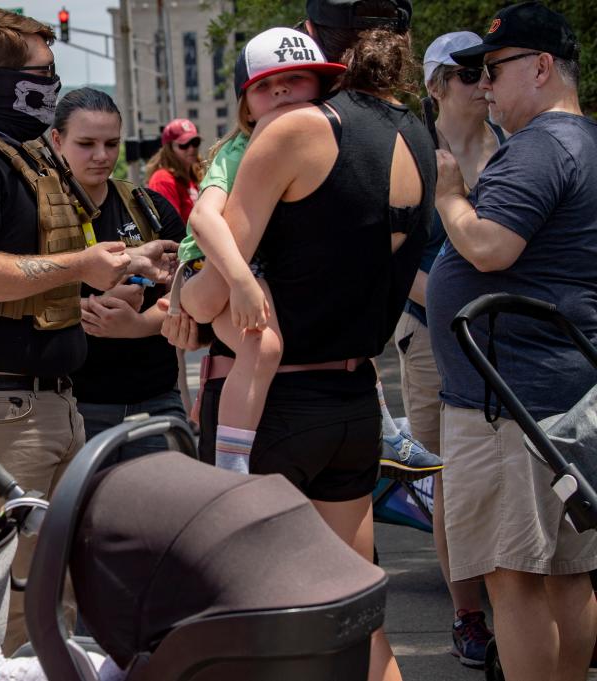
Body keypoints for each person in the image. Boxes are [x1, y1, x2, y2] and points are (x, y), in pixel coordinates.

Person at [163, 1, 435, 678]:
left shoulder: (294, 135)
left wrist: (180, 294)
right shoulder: (416, 130)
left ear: (319, 45)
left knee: (252, 627)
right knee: (359, 623)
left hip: (271, 410)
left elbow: (208, 296)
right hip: (353, 404)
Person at [0, 9, 168, 651]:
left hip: (45, 402)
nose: (52, 85)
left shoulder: (18, 156)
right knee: (20, 599)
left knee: (61, 589)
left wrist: (127, 261)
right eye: (42, 73)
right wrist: (82, 263)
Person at [428, 4, 597, 679]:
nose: (487, 85)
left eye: (494, 69)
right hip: (555, 393)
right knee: (568, 569)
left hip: (509, 401)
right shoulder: (582, 141)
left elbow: (490, 247)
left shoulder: (539, 147)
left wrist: (449, 196)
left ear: (542, 68)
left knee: (512, 575)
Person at [176, 26, 345, 473]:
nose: (282, 91)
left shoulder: (334, 142)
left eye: (296, 79)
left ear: (324, 86)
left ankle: (386, 426)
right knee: (262, 346)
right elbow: (203, 219)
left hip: (264, 273)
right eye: (264, 86)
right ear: (245, 105)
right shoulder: (238, 151)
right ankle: (230, 468)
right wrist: (241, 282)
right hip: (217, 266)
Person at [395, 30, 504, 668]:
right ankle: (467, 614)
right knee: (450, 476)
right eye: (467, 72)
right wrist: (448, 295)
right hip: (432, 333)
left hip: (509, 333)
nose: (482, 80)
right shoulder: (411, 155)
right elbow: (389, 256)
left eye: (489, 69)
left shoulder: (517, 148)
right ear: (436, 85)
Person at [50, 88, 188, 459]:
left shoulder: (148, 208)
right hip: (72, 409)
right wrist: (86, 306)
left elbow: (194, 289)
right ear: (56, 140)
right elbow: (10, 295)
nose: (101, 156)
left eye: (112, 143)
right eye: (86, 144)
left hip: (156, 403)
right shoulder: (35, 216)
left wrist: (140, 324)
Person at [145, 118, 203, 223]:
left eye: (195, 142)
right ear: (169, 149)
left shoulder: (191, 178)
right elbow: (171, 227)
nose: (191, 148)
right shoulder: (162, 179)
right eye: (184, 144)